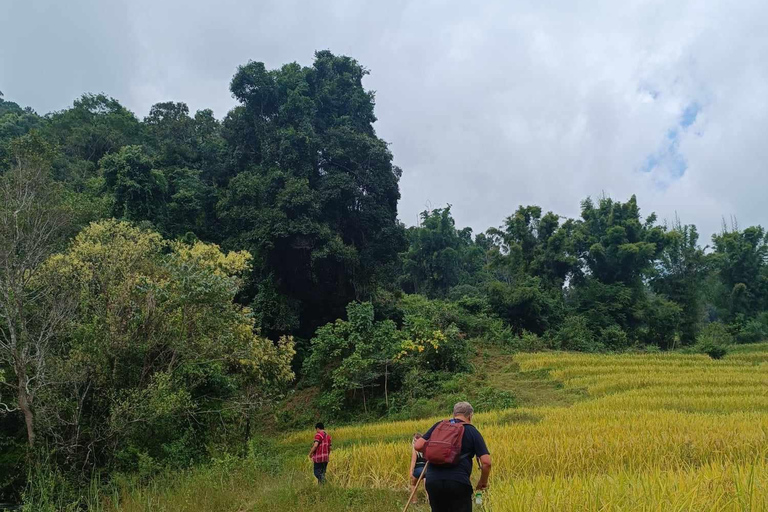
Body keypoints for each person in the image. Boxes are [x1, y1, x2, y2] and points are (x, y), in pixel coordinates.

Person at [414, 402, 491, 512]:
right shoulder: (471, 430)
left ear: (454, 414)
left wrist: (433, 449)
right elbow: (487, 463)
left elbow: (418, 445)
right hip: (458, 481)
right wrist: (482, 482)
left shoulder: (439, 425)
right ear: (470, 415)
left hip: (433, 481)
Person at [409, 433, 429, 504]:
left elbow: (413, 462)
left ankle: (414, 501)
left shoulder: (415, 450)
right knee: (427, 486)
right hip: (427, 470)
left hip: (418, 470)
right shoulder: (427, 449)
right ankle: (429, 501)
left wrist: (411, 472)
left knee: (413, 484)